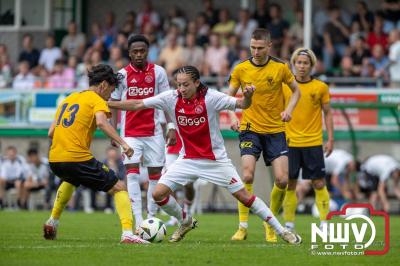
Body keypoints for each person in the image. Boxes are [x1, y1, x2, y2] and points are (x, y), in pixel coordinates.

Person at [109, 65, 302, 244]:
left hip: (215, 160)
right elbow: (136, 104)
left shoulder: (212, 97)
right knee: (158, 194)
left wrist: (249, 96)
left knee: (244, 196)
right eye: (179, 84)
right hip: (187, 159)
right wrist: (108, 103)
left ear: (196, 83)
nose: (181, 89)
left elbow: (243, 104)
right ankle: (185, 220)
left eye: (185, 84)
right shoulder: (170, 98)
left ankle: (282, 231)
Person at [43, 64, 148, 244]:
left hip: (55, 159)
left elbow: (51, 132)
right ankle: (127, 233)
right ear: (103, 85)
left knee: (70, 179)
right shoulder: (96, 99)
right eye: (111, 90)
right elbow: (101, 123)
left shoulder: (69, 99)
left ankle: (52, 221)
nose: (110, 96)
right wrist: (124, 144)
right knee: (120, 187)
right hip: (76, 158)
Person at [228, 28, 301, 242]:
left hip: (276, 131)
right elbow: (229, 97)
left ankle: (270, 222)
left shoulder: (280, 68)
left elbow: (296, 90)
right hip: (250, 128)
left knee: (282, 180)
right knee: (248, 175)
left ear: (269, 46)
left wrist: (289, 110)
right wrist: (233, 117)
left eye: (260, 48)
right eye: (252, 47)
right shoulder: (241, 69)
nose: (256, 51)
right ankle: (242, 227)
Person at [110, 34, 176, 231]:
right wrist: (114, 131)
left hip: (154, 132)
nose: (139, 55)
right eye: (135, 52)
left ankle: (152, 218)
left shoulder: (159, 72)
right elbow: (113, 103)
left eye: (142, 51)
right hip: (129, 133)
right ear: (129, 54)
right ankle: (138, 221)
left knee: (155, 175)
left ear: (148, 52)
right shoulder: (121, 75)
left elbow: (167, 100)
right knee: (132, 174)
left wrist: (171, 126)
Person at [282, 48, 334, 232]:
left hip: (313, 142)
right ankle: (289, 224)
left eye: (305, 63)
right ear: (293, 64)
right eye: (299, 62)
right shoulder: (285, 86)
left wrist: (330, 139)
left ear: (312, 65)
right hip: (290, 143)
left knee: (319, 183)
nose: (302, 66)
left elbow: (328, 114)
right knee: (290, 184)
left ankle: (324, 223)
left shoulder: (320, 87)